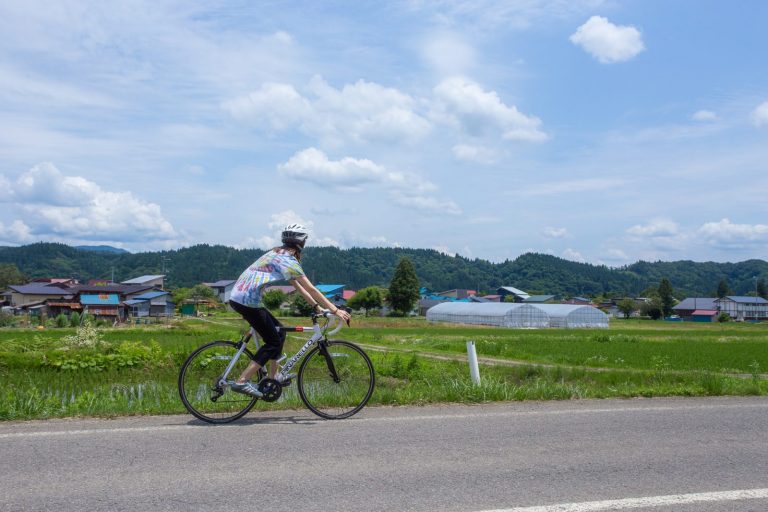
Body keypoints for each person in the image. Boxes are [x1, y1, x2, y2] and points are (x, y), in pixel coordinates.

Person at [227, 223, 351, 397]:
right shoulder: (288, 260)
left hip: (241, 298)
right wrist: (335, 310)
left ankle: (273, 378)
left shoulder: (277, 253)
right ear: (302, 242)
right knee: (273, 342)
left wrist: (317, 307)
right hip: (247, 301)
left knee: (279, 332)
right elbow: (311, 288)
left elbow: (298, 286)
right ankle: (242, 381)